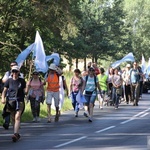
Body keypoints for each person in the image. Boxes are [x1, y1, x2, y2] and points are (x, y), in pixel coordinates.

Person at [1, 65, 26, 142]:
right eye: (13, 71)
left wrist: (27, 88)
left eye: (16, 71)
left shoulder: (22, 81)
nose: (14, 73)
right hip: (10, 101)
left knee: (17, 116)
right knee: (13, 118)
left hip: (19, 100)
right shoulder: (9, 80)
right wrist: (3, 98)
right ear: (11, 72)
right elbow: (4, 90)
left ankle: (15, 133)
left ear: (18, 72)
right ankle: (16, 133)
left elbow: (25, 91)